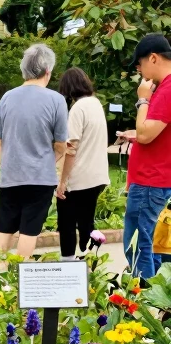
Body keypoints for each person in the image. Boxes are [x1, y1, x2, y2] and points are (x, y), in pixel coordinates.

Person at [0, 44, 69, 258]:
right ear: (48, 71)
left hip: (10, 176)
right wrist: (50, 160)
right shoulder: (56, 100)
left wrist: (4, 162)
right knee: (29, 229)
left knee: (4, 227)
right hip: (40, 178)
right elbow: (61, 144)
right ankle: (20, 270)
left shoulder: (7, 97)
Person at [119, 34, 171, 282]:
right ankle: (157, 296)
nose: (139, 70)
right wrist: (138, 135)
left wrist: (142, 99)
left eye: (139, 64)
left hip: (150, 182)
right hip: (157, 179)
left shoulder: (166, 90)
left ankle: (143, 298)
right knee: (154, 246)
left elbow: (145, 134)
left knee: (138, 245)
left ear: (153, 58)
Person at [55, 68, 110, 260]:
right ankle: (88, 256)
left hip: (79, 178)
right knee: (86, 222)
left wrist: (63, 181)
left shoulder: (78, 109)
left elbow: (71, 148)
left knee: (66, 222)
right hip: (98, 175)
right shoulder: (96, 104)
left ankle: (69, 263)